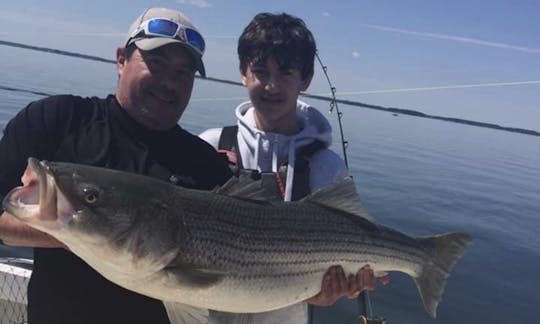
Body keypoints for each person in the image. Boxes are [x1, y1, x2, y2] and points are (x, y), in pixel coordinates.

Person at [0, 7, 232, 324]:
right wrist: (83, 233)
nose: (169, 82)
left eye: (183, 73)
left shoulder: (207, 166)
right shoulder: (56, 120)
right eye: (157, 63)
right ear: (121, 59)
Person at [200, 12, 379, 324]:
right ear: (243, 72)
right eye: (260, 70)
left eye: (285, 73)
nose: (271, 85)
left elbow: (351, 247)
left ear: (306, 79)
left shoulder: (326, 167)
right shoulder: (210, 147)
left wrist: (336, 289)